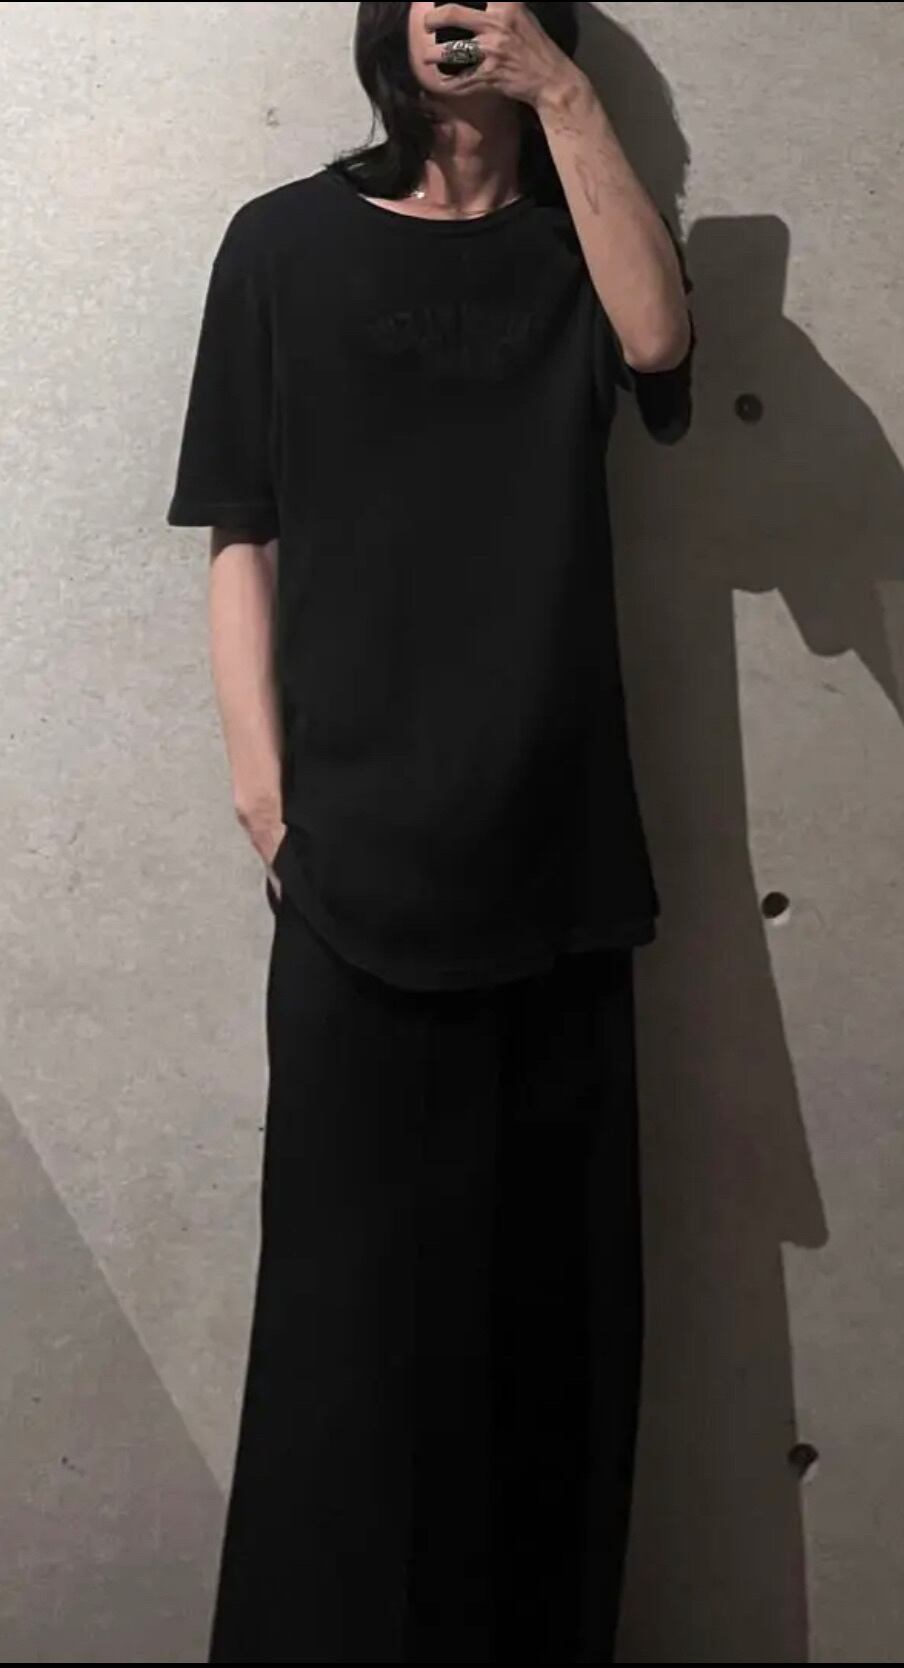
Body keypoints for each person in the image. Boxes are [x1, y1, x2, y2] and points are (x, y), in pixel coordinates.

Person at [166, 4, 694, 1661]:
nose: (463, 20)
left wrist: (568, 99)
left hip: (556, 863)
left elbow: (660, 347)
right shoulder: (282, 247)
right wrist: (267, 797)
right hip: (353, 874)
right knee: (344, 1351)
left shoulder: (577, 250)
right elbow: (239, 530)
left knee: (547, 1342)